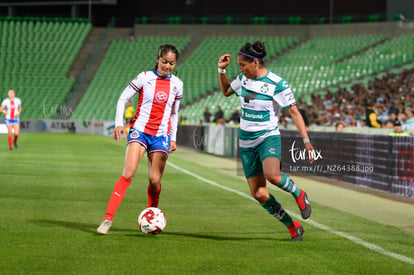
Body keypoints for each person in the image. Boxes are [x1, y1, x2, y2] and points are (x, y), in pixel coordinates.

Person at [218, 41, 313, 242]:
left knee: (273, 175)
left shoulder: (277, 83)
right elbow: (226, 91)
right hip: (246, 140)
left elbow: (295, 113)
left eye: (243, 65)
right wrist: (221, 71)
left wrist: (306, 141)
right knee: (259, 193)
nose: (240, 69)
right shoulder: (243, 78)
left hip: (267, 136)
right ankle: (293, 226)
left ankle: (298, 193)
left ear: (255, 62)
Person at [97, 44, 183, 235]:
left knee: (154, 179)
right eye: (164, 62)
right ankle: (107, 219)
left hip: (161, 136)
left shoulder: (177, 84)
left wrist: (173, 138)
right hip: (140, 131)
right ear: (157, 59)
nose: (167, 66)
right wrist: (119, 123)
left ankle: (152, 214)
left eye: (171, 63)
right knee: (128, 173)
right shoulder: (145, 77)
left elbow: (175, 114)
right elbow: (122, 98)